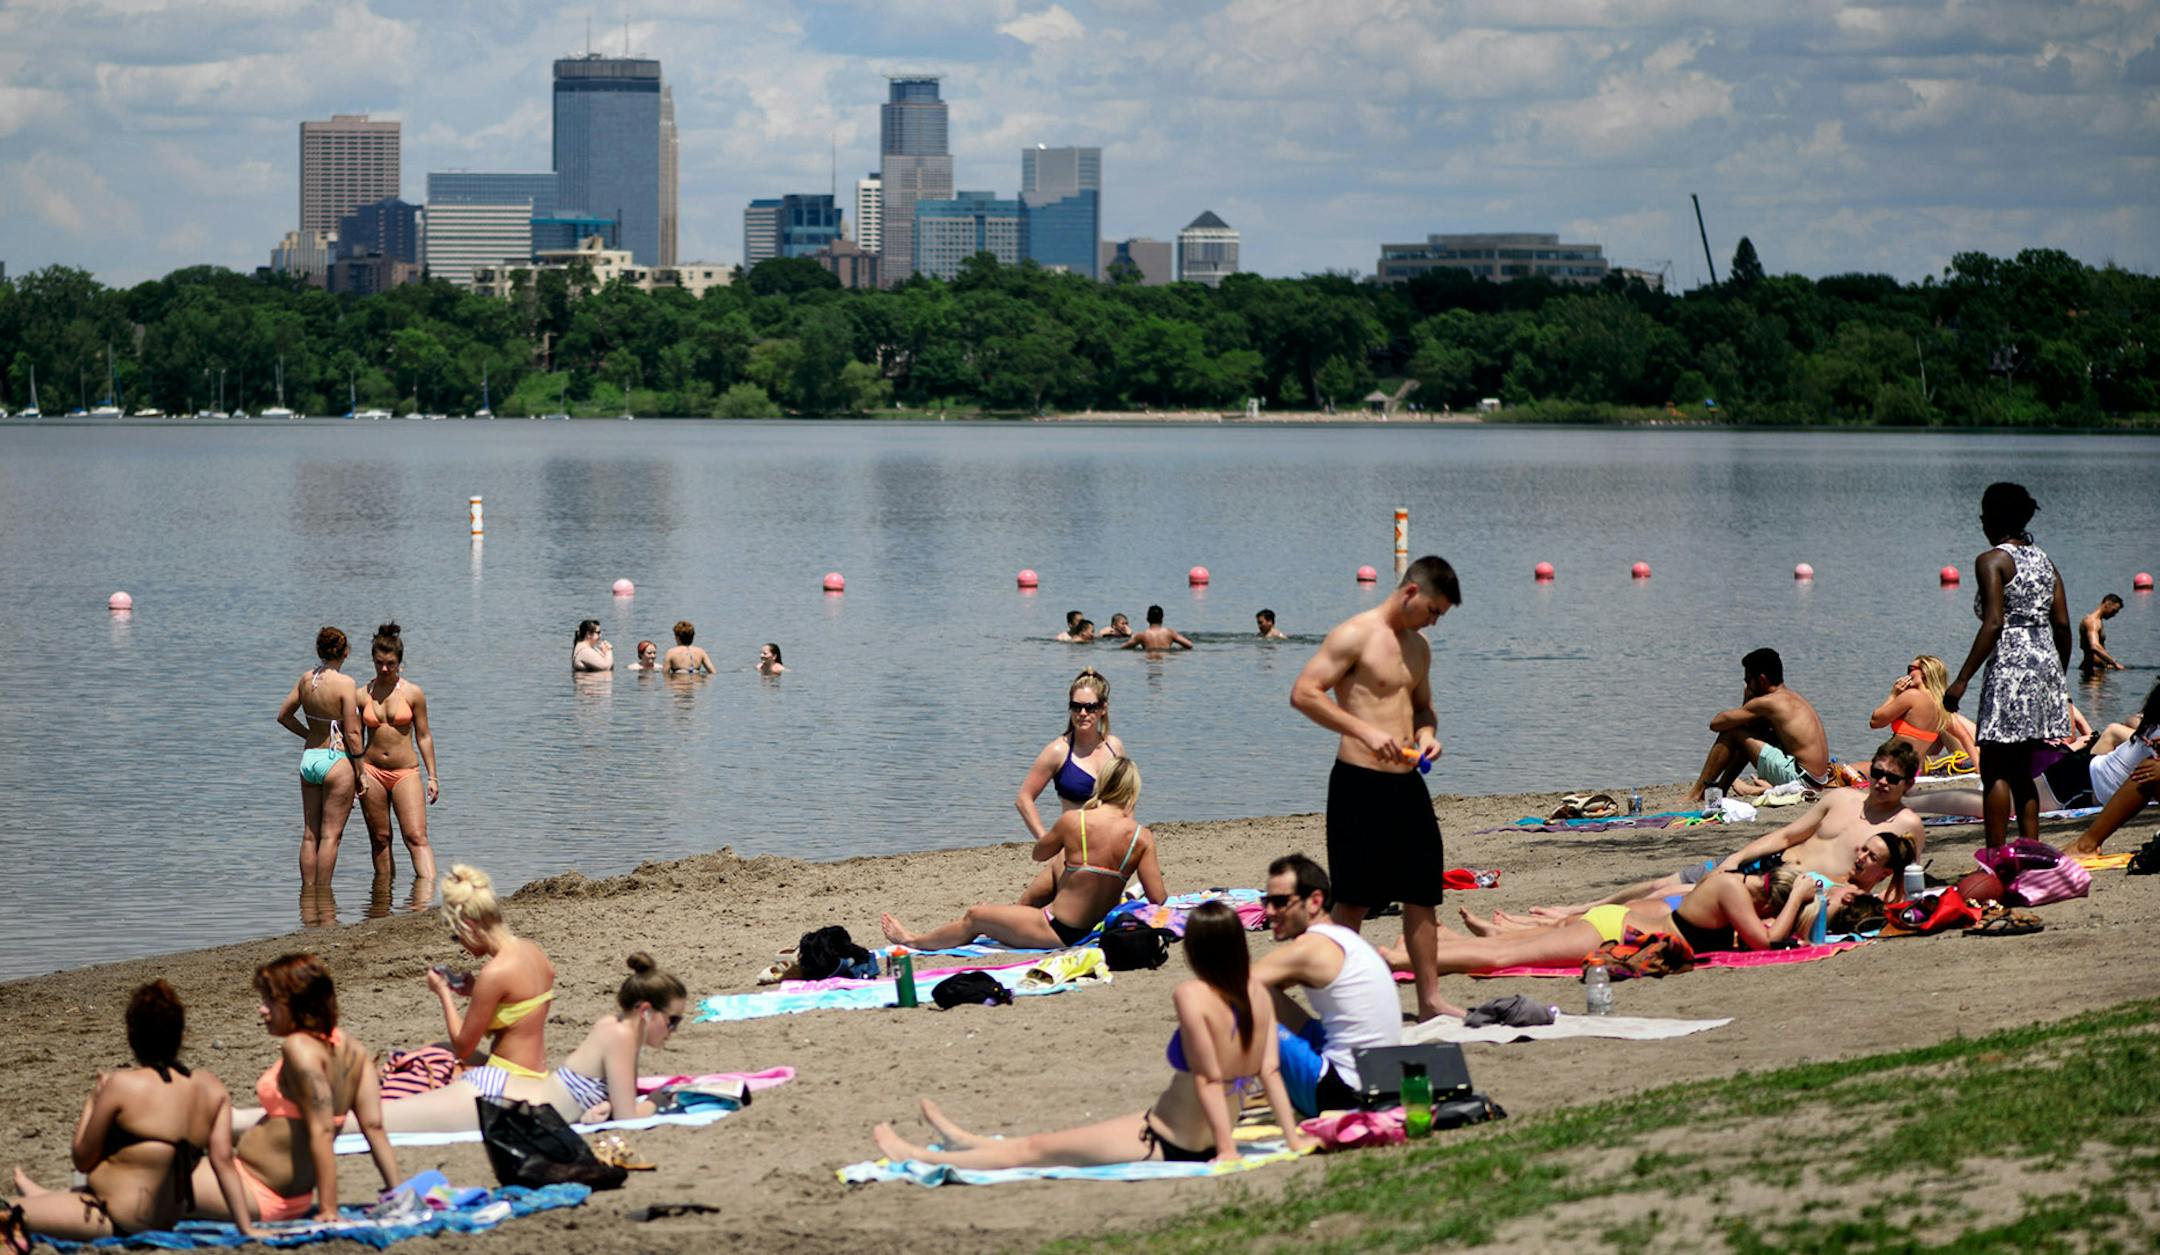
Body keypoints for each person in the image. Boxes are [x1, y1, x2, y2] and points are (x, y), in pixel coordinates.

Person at [870, 902, 1317, 1167]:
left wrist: (1226, 1150)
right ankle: (968, 1142)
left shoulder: (1194, 995)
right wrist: (1292, 1139)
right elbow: (1270, 1074)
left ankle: (926, 1158)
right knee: (1050, 1145)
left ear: (1196, 951)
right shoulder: (1258, 996)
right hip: (1179, 1132)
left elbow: (1206, 1079)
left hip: (1168, 1138)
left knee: (1038, 1149)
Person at [1289, 554, 1459, 1024]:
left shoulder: (1419, 648)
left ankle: (1429, 1001)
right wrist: (1364, 731)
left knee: (1423, 892)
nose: (1434, 620)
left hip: (1408, 784)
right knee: (1354, 898)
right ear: (1411, 592)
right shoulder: (1354, 635)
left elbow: (1423, 708)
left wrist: (1427, 736)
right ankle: (1336, 1001)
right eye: (1433, 610)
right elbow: (1304, 692)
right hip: (1358, 784)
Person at [1537, 742, 1925, 915]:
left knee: (1671, 895)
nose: (1882, 781)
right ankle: (1583, 908)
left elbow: (1902, 880)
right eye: (1877, 772)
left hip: (1794, 886)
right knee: (1664, 881)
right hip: (1767, 862)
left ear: (1908, 783)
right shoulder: (1840, 799)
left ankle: (1582, 919)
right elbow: (1786, 835)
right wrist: (1738, 857)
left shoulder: (1906, 823)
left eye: (1893, 778)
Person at [4, 982, 257, 1243]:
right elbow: (223, 1163)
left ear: (132, 1035)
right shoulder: (211, 1087)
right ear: (180, 1034)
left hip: (115, 1218)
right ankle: (40, 1196)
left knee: (5, 1212)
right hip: (165, 1220)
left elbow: (82, 1159)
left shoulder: (123, 1085)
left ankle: (37, 1201)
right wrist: (246, 1228)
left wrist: (94, 1100)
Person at [355, 954, 687, 1133]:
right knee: (371, 1122)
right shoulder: (621, 1037)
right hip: (498, 1101)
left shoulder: (613, 1028)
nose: (673, 1030)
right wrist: (658, 1101)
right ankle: (307, 1122)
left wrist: (610, 1108)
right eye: (672, 1020)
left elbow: (617, 1105)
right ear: (645, 1011)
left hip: (505, 1096)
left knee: (378, 1118)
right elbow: (630, 1119)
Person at [193, 955, 397, 1225]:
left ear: (297, 1003)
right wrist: (397, 1194)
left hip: (252, 1187)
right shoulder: (355, 1051)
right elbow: (373, 1127)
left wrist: (328, 1210)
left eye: (270, 1001)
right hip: (290, 1198)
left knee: (149, 1179)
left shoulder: (299, 1048)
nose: (261, 1010)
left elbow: (322, 1131)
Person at [883, 757, 1164, 950]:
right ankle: (1011, 915)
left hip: (1057, 930)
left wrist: (1068, 838)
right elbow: (1158, 898)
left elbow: (1038, 854)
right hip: (1092, 926)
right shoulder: (1141, 836)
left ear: (1102, 784)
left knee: (975, 915)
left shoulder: (1076, 820)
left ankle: (912, 941)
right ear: (1132, 791)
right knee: (1061, 867)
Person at [1943, 482, 2073, 849]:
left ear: (1994, 518)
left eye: (1984, 515)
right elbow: (2062, 625)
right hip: (2045, 663)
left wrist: (1962, 680)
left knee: (1995, 767)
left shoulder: (1992, 560)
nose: (1981, 522)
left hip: (2010, 667)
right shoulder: (2045, 561)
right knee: (2021, 770)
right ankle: (2031, 850)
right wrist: (2056, 679)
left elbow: (1994, 622)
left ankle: (1997, 854)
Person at [1417, 867, 1823, 978]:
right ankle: (1405, 959)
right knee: (1505, 955)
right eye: (1776, 910)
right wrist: (1800, 899)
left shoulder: (1732, 889)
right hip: (1615, 930)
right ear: (1773, 902)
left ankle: (1421, 952)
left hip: (1621, 925)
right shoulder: (1732, 890)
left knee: (1507, 950)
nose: (1768, 918)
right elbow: (1765, 943)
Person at [1251, 854, 1402, 1117]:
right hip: (1379, 1081)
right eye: (1267, 902)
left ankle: (1211, 1106)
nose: (1269, 912)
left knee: (1240, 1005)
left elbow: (1233, 987)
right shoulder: (1342, 937)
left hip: (1342, 1094)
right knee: (1261, 994)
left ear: (1315, 901)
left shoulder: (1309, 948)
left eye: (1280, 902)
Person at [429, 865, 556, 1078]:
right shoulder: (534, 952)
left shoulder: (494, 973)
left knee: (428, 1066)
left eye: (456, 936)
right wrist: (475, 990)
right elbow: (519, 1004)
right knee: (434, 1048)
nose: (461, 944)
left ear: (468, 926)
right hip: (537, 1073)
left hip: (506, 1080)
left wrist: (443, 992)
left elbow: (463, 1047)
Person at [1015, 668, 1126, 905]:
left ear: (1103, 709)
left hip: (1109, 850)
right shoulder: (1058, 751)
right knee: (1025, 907)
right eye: (1076, 707)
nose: (1082, 713)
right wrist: (1046, 840)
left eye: (1090, 707)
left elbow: (1125, 801)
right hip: (1072, 851)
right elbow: (1024, 799)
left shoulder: (1114, 747)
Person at [274, 626, 367, 886]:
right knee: (330, 836)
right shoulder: (345, 684)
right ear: (345, 653)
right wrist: (361, 770)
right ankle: (323, 894)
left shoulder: (306, 679)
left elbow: (283, 716)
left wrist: (307, 735)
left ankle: (308, 892)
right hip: (335, 759)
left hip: (309, 759)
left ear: (319, 651)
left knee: (309, 835)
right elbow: (353, 732)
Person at [1685, 647, 1829, 802]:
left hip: (1801, 781)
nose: (1748, 686)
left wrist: (1747, 699)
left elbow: (1717, 723)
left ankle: (1696, 793)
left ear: (1761, 680)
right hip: (1817, 781)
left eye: (1748, 681)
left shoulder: (1769, 702)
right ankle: (1720, 790)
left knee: (1734, 732)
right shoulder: (1791, 698)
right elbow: (1753, 729)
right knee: (1750, 733)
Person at [355, 623, 438, 887]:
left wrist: (433, 776)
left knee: (416, 836)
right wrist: (356, 775)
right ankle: (382, 901)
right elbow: (353, 740)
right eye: (379, 662)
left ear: (400, 663)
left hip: (405, 772)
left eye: (390, 663)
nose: (384, 669)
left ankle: (426, 895)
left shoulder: (413, 693)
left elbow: (423, 735)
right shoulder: (361, 695)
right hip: (372, 771)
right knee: (380, 839)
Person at [1870, 655, 1963, 763]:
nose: (1908, 674)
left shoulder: (1912, 696)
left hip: (1893, 763)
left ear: (1924, 672)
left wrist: (1893, 695)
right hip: (1914, 765)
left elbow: (1875, 721)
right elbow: (1961, 738)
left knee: (1848, 772)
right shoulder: (1941, 707)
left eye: (1911, 669)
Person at [2080, 594, 2126, 675]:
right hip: (2092, 671)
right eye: (2114, 611)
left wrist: (2106, 663)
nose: (2114, 615)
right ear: (2107, 604)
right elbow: (2094, 646)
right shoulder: (2092, 621)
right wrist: (2114, 663)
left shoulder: (2098, 621)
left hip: (2098, 669)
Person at [1121, 605, 1193, 651]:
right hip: (1164, 660)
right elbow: (1189, 645)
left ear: (1147, 619)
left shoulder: (1141, 635)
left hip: (1149, 661)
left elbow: (1123, 648)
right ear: (1162, 619)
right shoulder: (1170, 633)